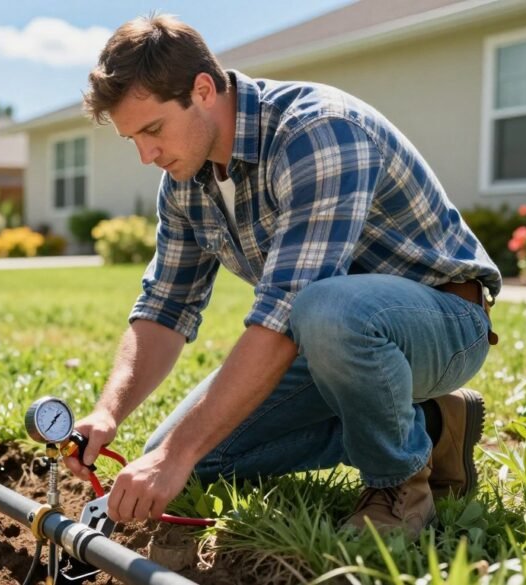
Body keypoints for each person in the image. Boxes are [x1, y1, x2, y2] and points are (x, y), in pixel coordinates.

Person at [62, 13, 500, 538]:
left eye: (153, 129)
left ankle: (398, 486)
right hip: (326, 342)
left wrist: (175, 455)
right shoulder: (184, 180)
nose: (146, 155)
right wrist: (110, 413)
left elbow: (288, 312)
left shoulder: (318, 132)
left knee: (325, 308)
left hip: (442, 323)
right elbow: (165, 308)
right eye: (132, 138)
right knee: (189, 461)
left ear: (203, 89)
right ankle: (434, 426)